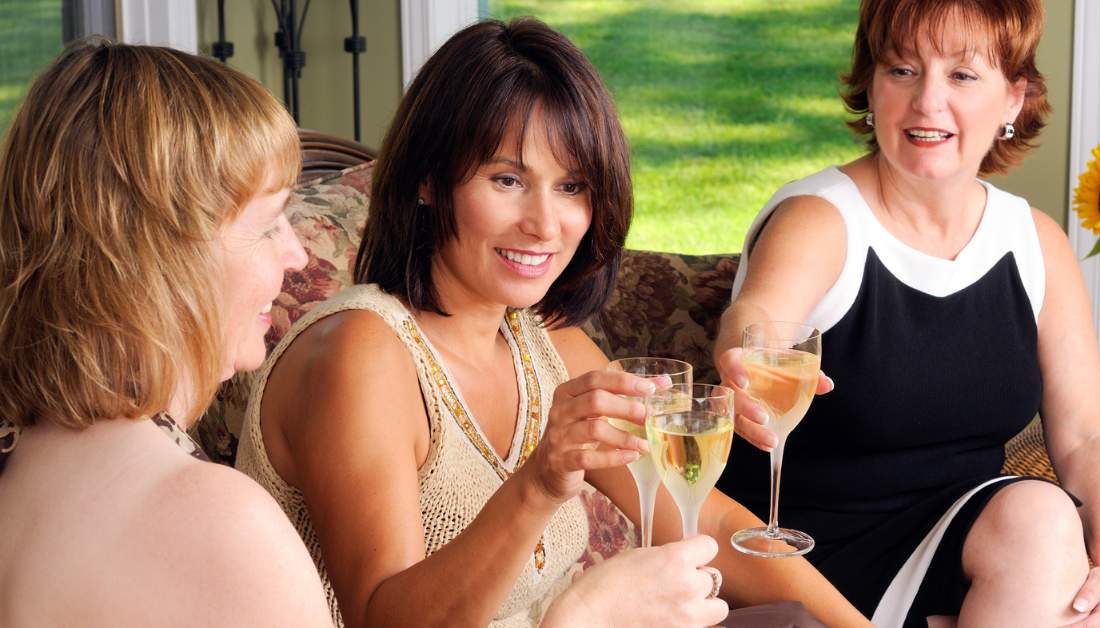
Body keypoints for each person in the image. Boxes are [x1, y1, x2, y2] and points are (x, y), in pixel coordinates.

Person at [236, 17, 870, 628]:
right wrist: (538, 482)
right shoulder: (362, 354)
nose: (545, 224)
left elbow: (709, 523)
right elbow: (384, 619)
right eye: (508, 179)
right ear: (429, 181)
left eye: (572, 187)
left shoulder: (544, 343)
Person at [714, 0, 1100, 626]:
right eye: (902, 70)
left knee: (1045, 519)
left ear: (1013, 100)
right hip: (799, 558)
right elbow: (759, 315)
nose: (927, 102)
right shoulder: (822, 219)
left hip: (958, 548)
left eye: (962, 76)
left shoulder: (1035, 242)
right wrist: (743, 354)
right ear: (871, 85)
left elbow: (1089, 433)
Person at [0, 40, 331, 626]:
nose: (299, 255)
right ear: (167, 259)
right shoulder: (220, 525)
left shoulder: (26, 463)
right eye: (267, 224)